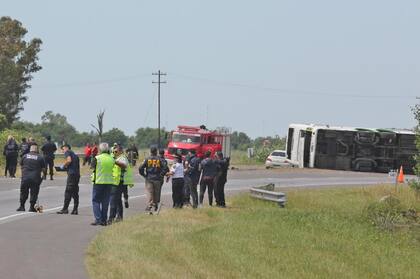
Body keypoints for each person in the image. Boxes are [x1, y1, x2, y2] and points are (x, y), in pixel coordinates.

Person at [90, 143, 114, 226]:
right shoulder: (111, 158)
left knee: (96, 200)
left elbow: (92, 167)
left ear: (100, 150)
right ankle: (104, 220)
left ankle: (98, 219)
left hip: (99, 181)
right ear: (108, 149)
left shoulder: (97, 158)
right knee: (105, 201)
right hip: (109, 182)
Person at [108, 145, 134, 223]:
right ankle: (119, 217)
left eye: (116, 151)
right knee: (118, 200)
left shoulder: (122, 158)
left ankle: (111, 218)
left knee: (113, 201)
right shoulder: (116, 158)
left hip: (119, 182)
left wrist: (115, 162)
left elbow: (124, 165)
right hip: (116, 181)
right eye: (113, 151)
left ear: (120, 151)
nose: (114, 153)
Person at [17, 144, 46, 212]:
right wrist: (43, 176)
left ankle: (22, 206)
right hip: (35, 178)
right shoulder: (40, 157)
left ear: (30, 149)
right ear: (37, 150)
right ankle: (31, 207)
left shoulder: (25, 156)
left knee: (23, 192)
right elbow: (44, 169)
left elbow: (21, 165)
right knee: (34, 193)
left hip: (25, 178)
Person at [139, 147, 165, 213]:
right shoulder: (160, 159)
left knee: (150, 192)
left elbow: (140, 168)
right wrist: (161, 174)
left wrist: (144, 175)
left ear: (150, 152)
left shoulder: (147, 159)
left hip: (149, 178)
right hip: (157, 178)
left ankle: (150, 205)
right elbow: (165, 167)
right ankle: (156, 205)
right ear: (156, 152)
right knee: (157, 192)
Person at [57, 144, 80, 215]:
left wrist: (63, 166)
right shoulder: (75, 156)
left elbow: (69, 161)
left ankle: (65, 209)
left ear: (66, 148)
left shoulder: (68, 152)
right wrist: (65, 168)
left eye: (63, 149)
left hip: (72, 176)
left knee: (68, 192)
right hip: (77, 175)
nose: (63, 151)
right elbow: (73, 166)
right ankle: (75, 210)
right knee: (75, 192)